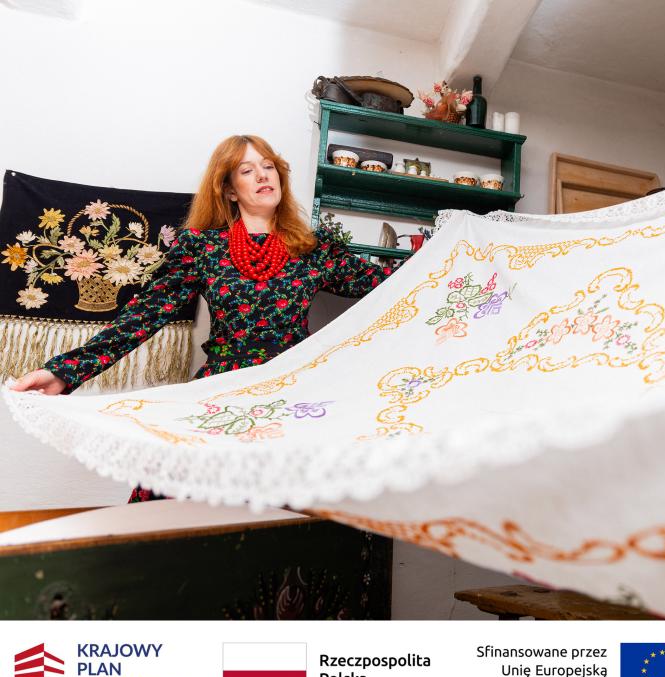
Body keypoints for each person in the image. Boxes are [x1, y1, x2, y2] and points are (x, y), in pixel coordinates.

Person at [11, 135, 410, 501]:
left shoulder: (314, 250)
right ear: (229, 189)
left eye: (268, 166)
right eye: (247, 170)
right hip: (224, 386)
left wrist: (445, 254)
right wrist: (64, 371)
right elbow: (143, 316)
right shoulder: (201, 247)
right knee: (168, 488)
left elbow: (396, 284)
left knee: (290, 504)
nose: (263, 175)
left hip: (291, 394)